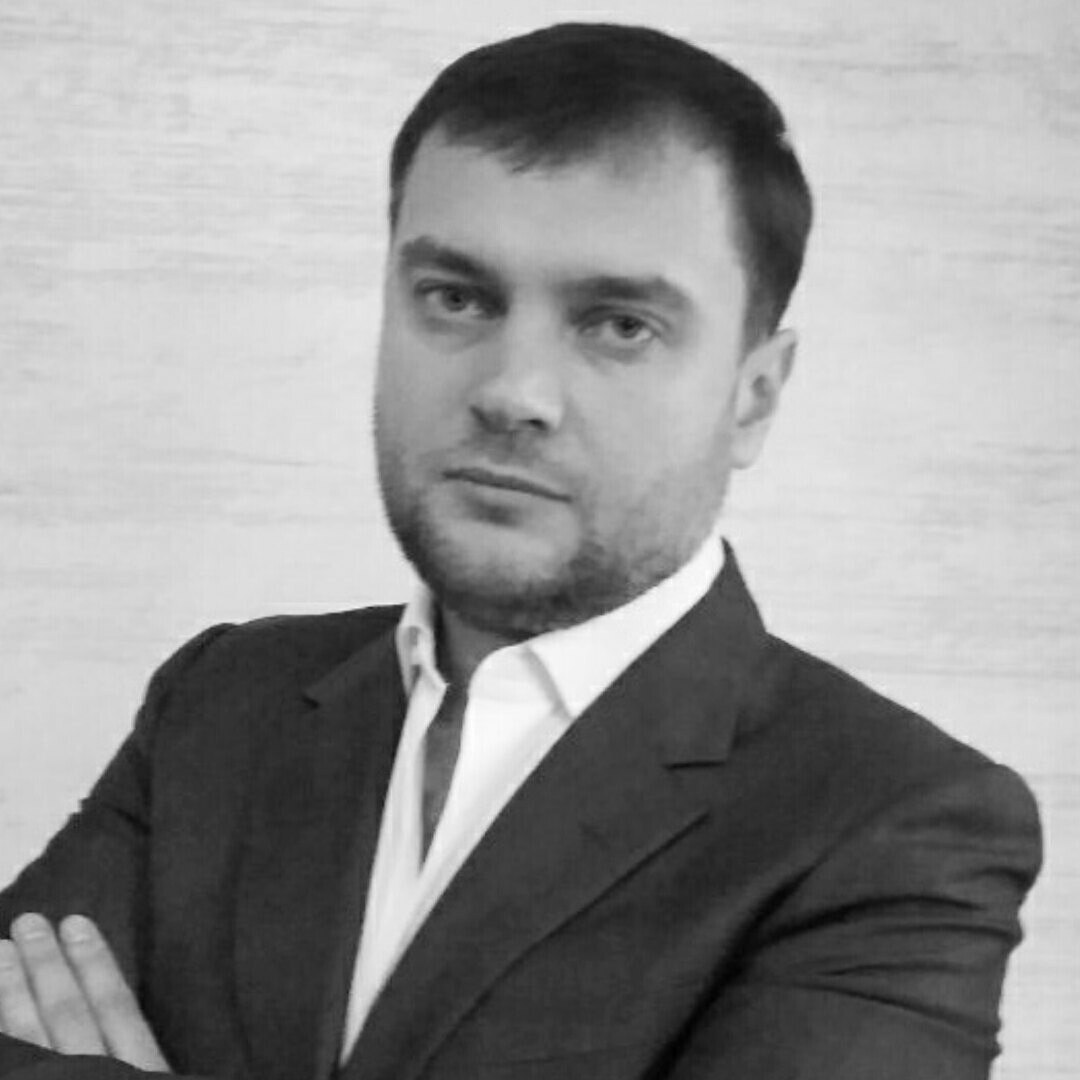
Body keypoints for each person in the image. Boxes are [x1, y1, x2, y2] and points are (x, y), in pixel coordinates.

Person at [0, 22, 1041, 1080]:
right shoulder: (221, 702)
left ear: (754, 396)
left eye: (619, 324)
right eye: (456, 299)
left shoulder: (894, 824)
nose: (512, 392)